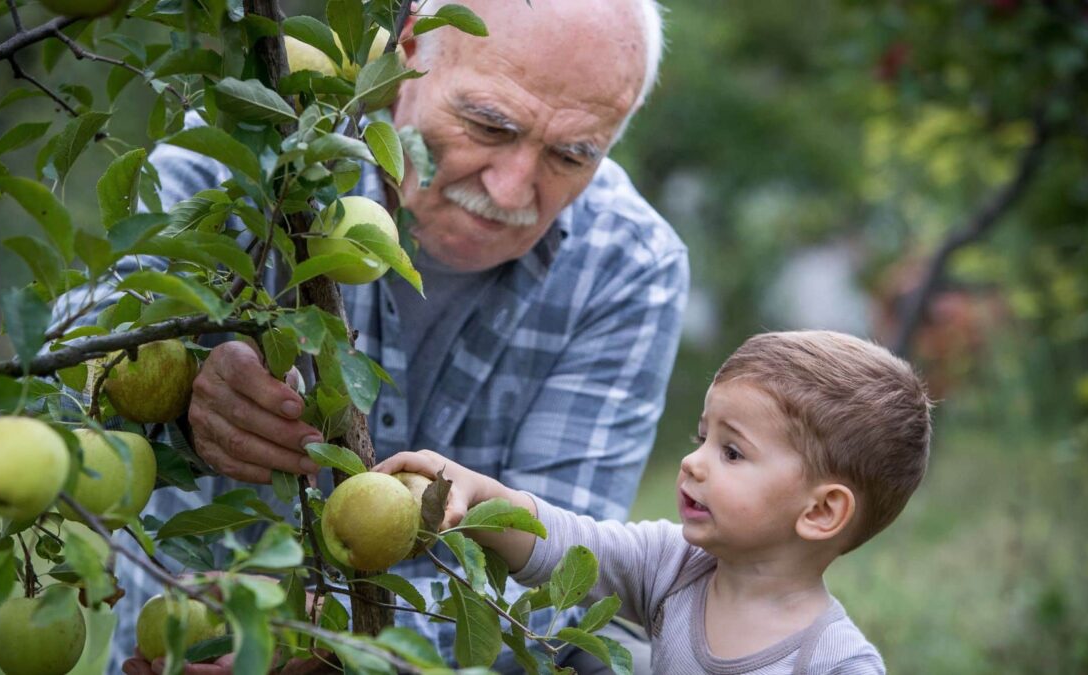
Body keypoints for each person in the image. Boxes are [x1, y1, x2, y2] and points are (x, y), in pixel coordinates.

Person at [102, 0, 688, 672]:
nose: (510, 186)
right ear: (410, 50)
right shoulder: (246, 159)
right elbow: (68, 363)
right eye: (489, 124)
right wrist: (179, 386)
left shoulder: (629, 263)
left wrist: (324, 642)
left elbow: (561, 589)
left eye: (572, 154)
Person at [376, 330, 933, 674]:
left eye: (732, 452)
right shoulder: (675, 567)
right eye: (702, 439)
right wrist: (473, 495)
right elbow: (566, 543)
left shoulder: (835, 663)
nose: (694, 462)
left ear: (820, 512)